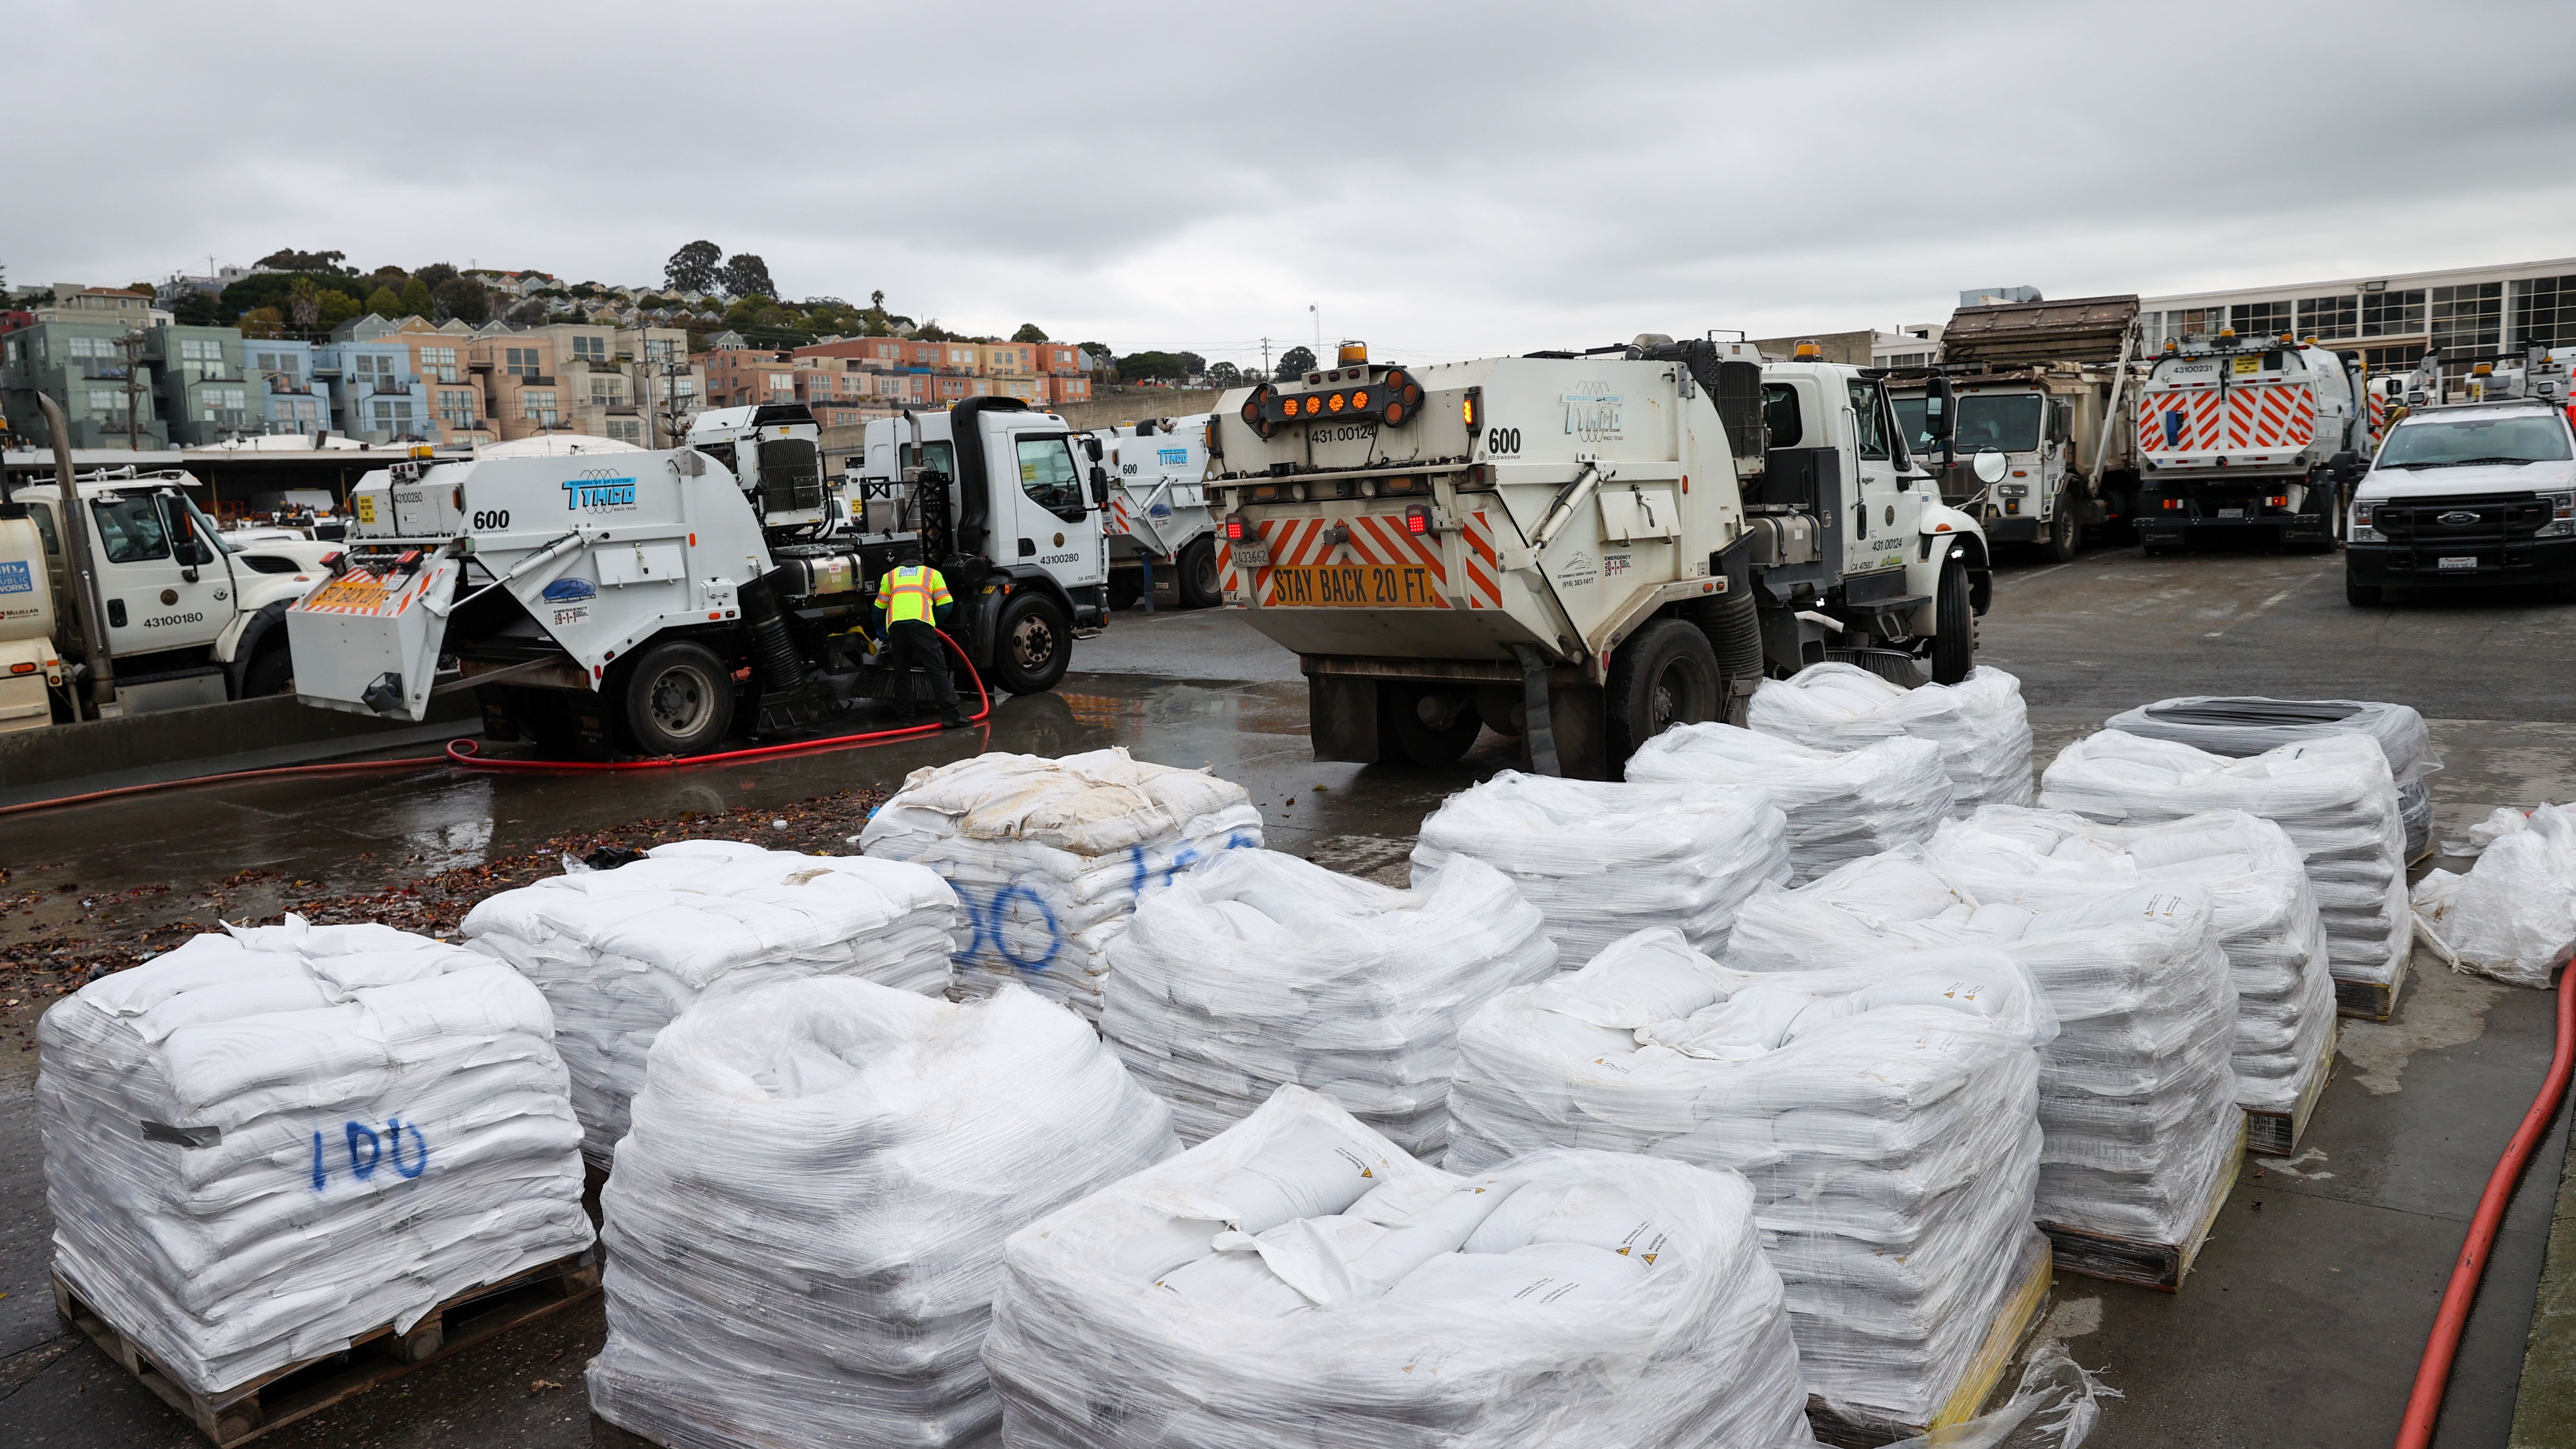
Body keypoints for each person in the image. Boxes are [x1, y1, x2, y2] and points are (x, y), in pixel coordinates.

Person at [874, 559, 968, 728]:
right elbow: (947, 605)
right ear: (920, 564)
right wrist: (932, 622)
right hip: (922, 626)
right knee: (936, 669)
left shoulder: (890, 576)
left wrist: (880, 627)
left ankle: (906, 720)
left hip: (896, 628)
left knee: (902, 672)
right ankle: (950, 716)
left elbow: (879, 608)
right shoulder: (932, 574)